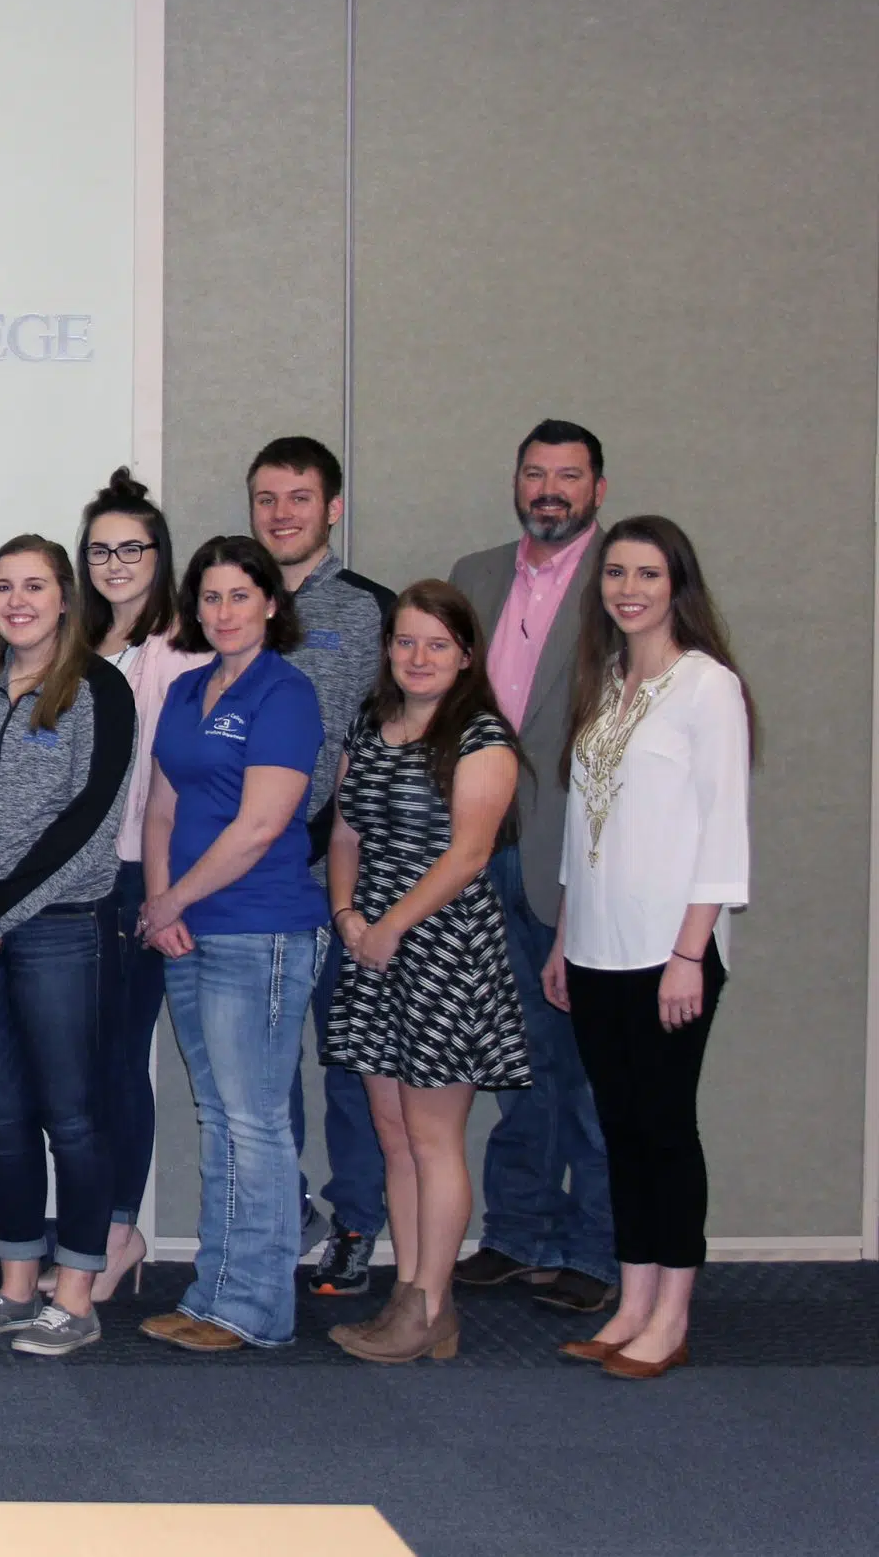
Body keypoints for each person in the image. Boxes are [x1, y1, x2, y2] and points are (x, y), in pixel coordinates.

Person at [549, 517, 751, 1380]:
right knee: (620, 1129)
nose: (628, 589)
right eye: (616, 574)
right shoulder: (603, 681)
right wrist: (565, 937)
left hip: (671, 953)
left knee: (666, 1130)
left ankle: (672, 1315)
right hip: (595, 949)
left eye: (648, 574)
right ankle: (632, 1302)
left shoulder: (708, 686)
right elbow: (578, 825)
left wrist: (688, 953)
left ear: (678, 586)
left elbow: (724, 828)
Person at [0, 536, 134, 1357]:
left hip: (57, 926)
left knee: (71, 1115)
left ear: (65, 598)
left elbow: (90, 813)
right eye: (4, 586)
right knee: (1, 1114)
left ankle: (75, 1293)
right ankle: (16, 1284)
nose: (17, 600)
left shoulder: (99, 688)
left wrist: (3, 903)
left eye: (35, 586)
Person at [322, 582, 529, 1363]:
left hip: (445, 949)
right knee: (394, 1131)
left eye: (437, 644)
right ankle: (410, 1292)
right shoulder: (370, 722)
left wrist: (390, 926)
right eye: (405, 641)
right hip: (373, 942)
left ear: (466, 655)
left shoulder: (482, 737)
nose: (418, 657)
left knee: (435, 1136)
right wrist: (347, 914)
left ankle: (431, 1302)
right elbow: (345, 832)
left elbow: (468, 854)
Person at [135, 535, 328, 1353]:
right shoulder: (186, 689)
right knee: (218, 1116)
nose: (223, 612)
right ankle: (213, 1294)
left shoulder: (287, 693)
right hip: (186, 929)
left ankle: (255, 1307)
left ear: (271, 605)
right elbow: (160, 809)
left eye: (240, 596)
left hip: (261, 927)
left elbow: (259, 826)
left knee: (254, 1123)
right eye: (210, 598)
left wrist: (173, 899)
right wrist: (160, 904)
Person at [448, 420, 619, 1315]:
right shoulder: (475, 575)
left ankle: (595, 1247)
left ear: (598, 489)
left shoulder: (624, 581)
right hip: (484, 848)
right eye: (535, 473)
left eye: (568, 475)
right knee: (516, 1056)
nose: (549, 489)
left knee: (592, 1066)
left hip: (577, 854)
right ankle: (519, 1233)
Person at [247, 436, 395, 1292]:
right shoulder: (230, 602)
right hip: (251, 877)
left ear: (332, 507)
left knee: (348, 1060)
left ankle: (357, 1221)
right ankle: (284, 1209)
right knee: (264, 1067)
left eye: (299, 497)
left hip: (342, 876)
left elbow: (391, 740)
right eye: (266, 498)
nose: (281, 514)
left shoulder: (370, 610)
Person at [77, 469, 208, 1297]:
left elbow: (181, 778)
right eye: (100, 550)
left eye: (132, 548)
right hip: (75, 880)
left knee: (119, 1061)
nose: (116, 564)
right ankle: (91, 1229)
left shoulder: (183, 647)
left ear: (161, 555)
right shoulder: (78, 642)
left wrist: (165, 891)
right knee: (85, 1065)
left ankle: (120, 1231)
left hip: (137, 874)